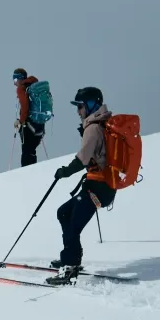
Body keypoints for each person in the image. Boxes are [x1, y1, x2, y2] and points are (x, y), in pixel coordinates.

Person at [48, 86, 116, 283]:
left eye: (80, 106)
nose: (78, 111)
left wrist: (64, 172)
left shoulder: (93, 128)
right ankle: (72, 260)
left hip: (98, 188)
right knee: (64, 213)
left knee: (73, 225)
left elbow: (83, 159)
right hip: (98, 186)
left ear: (90, 105)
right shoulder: (100, 124)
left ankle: (69, 268)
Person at [12, 68, 46, 167]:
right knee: (32, 150)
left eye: (15, 80)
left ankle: (26, 173)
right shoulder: (35, 86)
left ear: (20, 78)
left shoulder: (22, 88)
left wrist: (20, 121)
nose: (14, 83)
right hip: (39, 123)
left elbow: (25, 106)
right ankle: (33, 170)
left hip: (29, 124)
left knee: (27, 150)